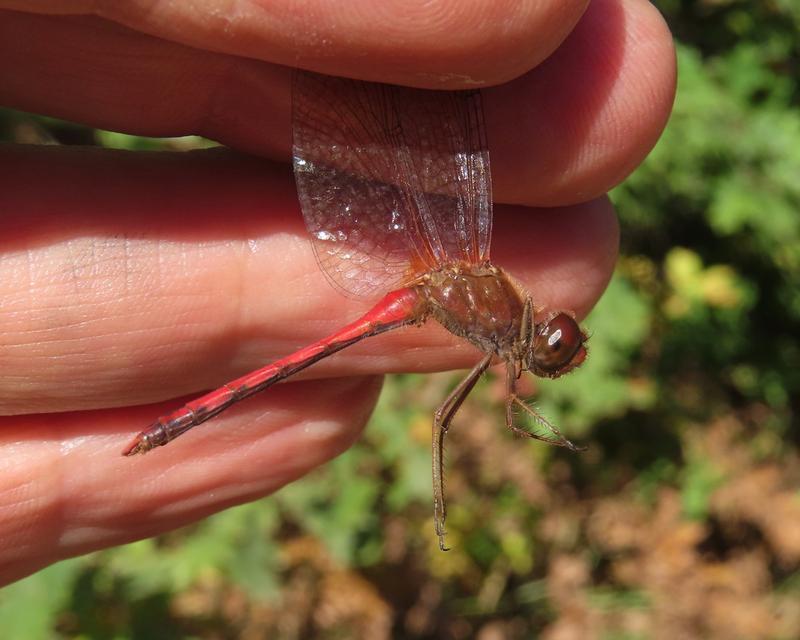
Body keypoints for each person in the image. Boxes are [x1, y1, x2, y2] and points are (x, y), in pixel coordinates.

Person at [0, 0, 676, 585]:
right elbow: (448, 418)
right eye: (555, 345)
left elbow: (495, 410)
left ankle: (166, 429)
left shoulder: (493, 301)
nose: (553, 347)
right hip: (425, 288)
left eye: (555, 346)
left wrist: (534, 422)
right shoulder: (500, 312)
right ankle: (176, 429)